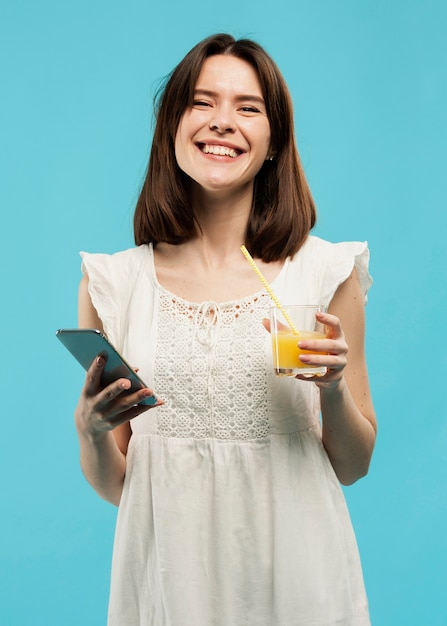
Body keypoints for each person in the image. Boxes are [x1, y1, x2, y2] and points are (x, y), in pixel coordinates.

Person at [74, 33, 377, 626]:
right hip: (166, 580)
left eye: (248, 107)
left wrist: (331, 388)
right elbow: (119, 486)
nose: (223, 122)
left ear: (272, 142)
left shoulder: (324, 272)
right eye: (202, 102)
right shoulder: (112, 284)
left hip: (299, 577)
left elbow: (354, 464)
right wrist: (89, 431)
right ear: (172, 126)